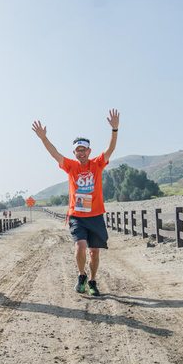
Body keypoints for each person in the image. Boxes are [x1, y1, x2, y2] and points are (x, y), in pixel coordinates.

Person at [31, 109, 119, 297]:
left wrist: (115, 129)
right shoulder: (70, 166)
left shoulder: (97, 164)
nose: (81, 153)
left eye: (84, 149)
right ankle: (81, 276)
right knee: (80, 246)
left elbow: (110, 149)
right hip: (77, 216)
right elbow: (54, 153)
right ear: (75, 152)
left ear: (89, 151)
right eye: (78, 150)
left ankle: (93, 281)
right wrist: (43, 138)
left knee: (94, 253)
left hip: (95, 215)